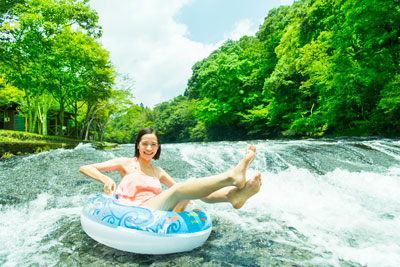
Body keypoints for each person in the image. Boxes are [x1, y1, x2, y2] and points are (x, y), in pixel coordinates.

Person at [79, 128, 262, 212]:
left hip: (158, 210)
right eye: (145, 144)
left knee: (189, 186)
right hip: (136, 210)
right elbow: (85, 167)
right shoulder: (125, 163)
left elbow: (193, 192)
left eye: (154, 145)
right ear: (138, 145)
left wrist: (189, 194)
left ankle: (232, 196)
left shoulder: (158, 171)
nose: (149, 148)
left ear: (158, 148)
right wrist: (106, 180)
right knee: (180, 189)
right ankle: (231, 176)